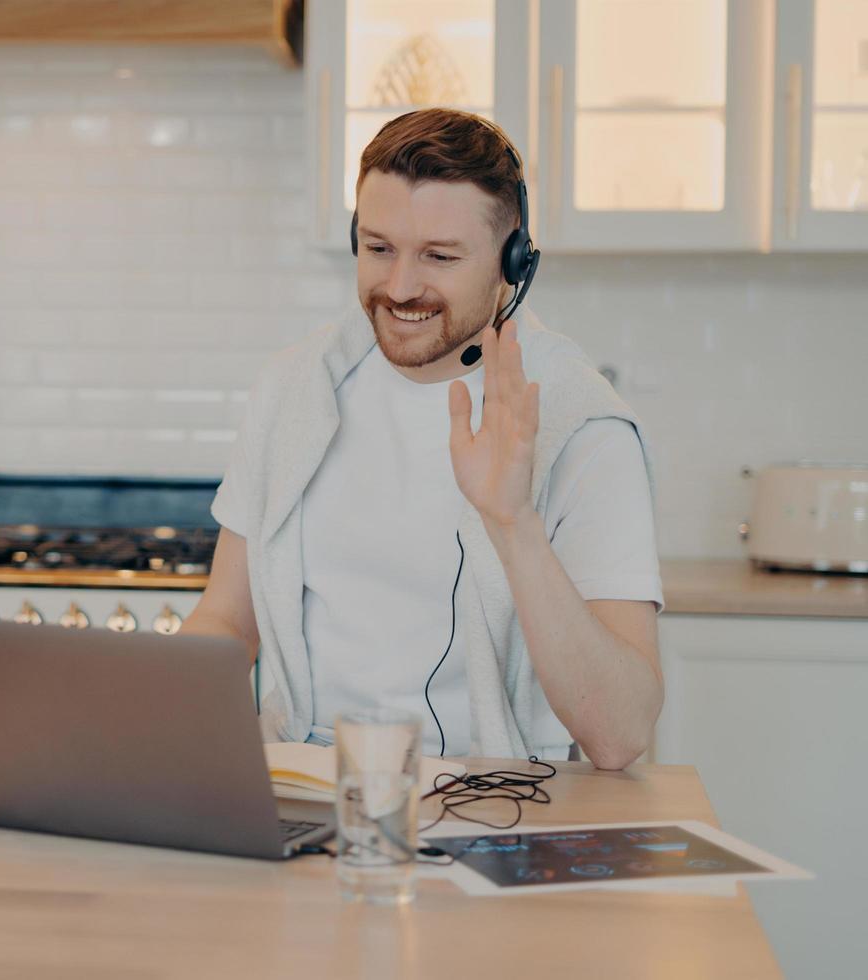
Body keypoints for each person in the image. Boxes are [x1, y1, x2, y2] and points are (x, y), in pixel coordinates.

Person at [181, 109, 663, 769]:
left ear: (512, 261)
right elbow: (227, 621)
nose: (401, 287)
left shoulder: (584, 428)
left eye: (438, 257)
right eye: (379, 248)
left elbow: (621, 733)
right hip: (303, 792)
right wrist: (150, 722)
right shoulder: (294, 387)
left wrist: (512, 521)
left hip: (500, 803)